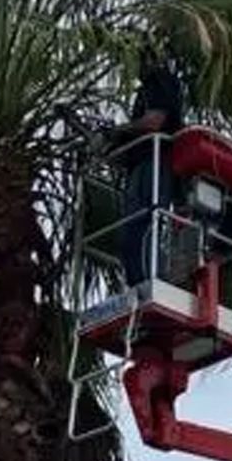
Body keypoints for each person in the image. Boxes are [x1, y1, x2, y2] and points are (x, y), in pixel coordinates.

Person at [93, 48, 186, 286]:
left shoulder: (160, 80)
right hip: (142, 165)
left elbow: (155, 121)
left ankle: (153, 280)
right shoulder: (145, 89)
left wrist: (117, 131)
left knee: (144, 228)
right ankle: (140, 285)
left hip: (155, 163)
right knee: (132, 234)